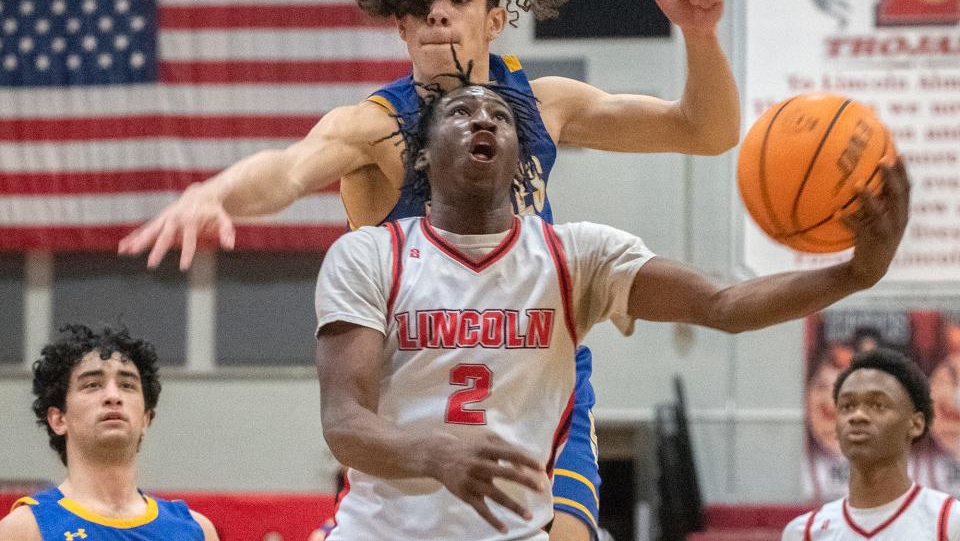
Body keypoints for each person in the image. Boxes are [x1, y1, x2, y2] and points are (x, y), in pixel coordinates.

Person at [118, 0, 738, 541]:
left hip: (538, 386)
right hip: (412, 404)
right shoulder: (376, 124)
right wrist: (216, 194)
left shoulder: (545, 104)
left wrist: (702, 38)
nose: (438, 11)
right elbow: (289, 169)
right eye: (420, 1)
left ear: (496, 17)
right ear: (401, 26)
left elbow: (704, 131)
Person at [314, 80, 909, 541]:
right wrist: (431, 450)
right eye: (462, 111)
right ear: (421, 158)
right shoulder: (370, 255)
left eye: (500, 116)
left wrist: (857, 272)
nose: (484, 119)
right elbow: (345, 422)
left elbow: (722, 305)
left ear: (521, 157)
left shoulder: (577, 255)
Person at [0, 325, 218, 541]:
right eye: (93, 384)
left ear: (145, 418)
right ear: (58, 419)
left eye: (127, 385)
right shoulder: (25, 529)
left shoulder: (196, 530)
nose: (113, 396)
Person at [783, 348, 960, 541]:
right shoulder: (804, 533)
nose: (857, 416)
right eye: (847, 406)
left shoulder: (949, 522)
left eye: (878, 405)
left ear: (916, 424)